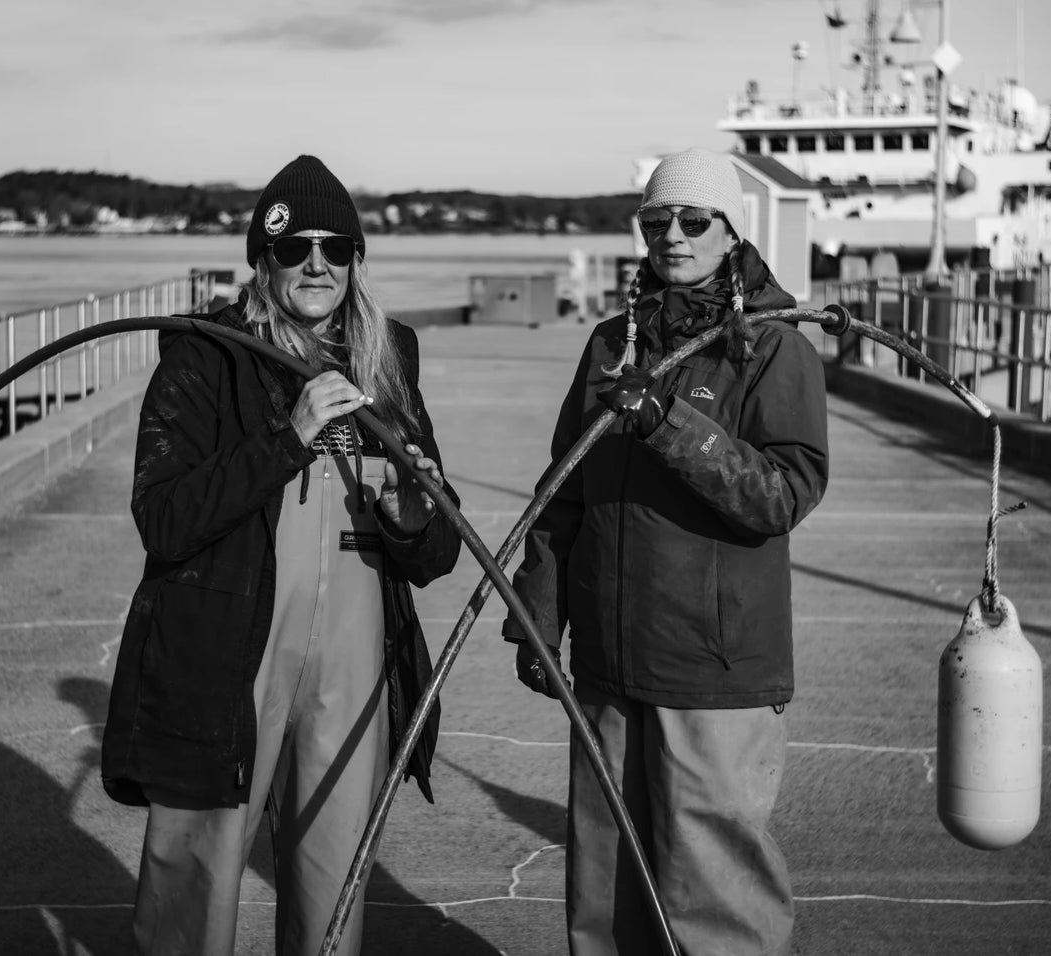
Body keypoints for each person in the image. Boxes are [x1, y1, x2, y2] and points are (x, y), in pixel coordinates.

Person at [102, 154, 462, 956]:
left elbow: (436, 552)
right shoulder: (206, 353)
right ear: (262, 260)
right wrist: (289, 437)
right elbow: (163, 518)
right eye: (295, 248)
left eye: (336, 249)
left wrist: (412, 507)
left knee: (333, 879)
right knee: (196, 872)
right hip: (229, 650)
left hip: (354, 660)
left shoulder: (390, 354)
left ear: (356, 260)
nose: (317, 265)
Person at [503, 148, 829, 956]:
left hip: (710, 671)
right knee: (607, 892)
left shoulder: (772, 348)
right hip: (610, 668)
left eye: (692, 221)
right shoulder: (611, 343)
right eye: (656, 222)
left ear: (729, 230)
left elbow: (781, 496)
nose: (672, 236)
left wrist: (668, 424)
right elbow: (562, 491)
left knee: (714, 894)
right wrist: (538, 615)